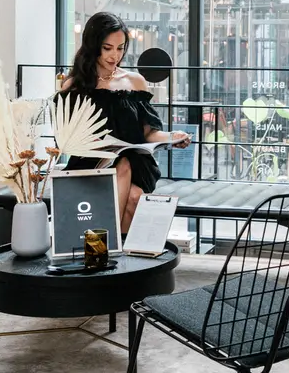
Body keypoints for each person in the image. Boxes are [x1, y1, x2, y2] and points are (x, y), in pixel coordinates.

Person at [60, 12, 191, 233]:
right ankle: (117, 252)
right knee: (133, 193)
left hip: (137, 165)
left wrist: (172, 137)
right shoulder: (73, 86)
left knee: (127, 169)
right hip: (92, 163)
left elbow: (149, 134)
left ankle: (107, 246)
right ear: (93, 46)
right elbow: (66, 139)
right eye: (107, 48)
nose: (115, 55)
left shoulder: (135, 81)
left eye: (120, 48)